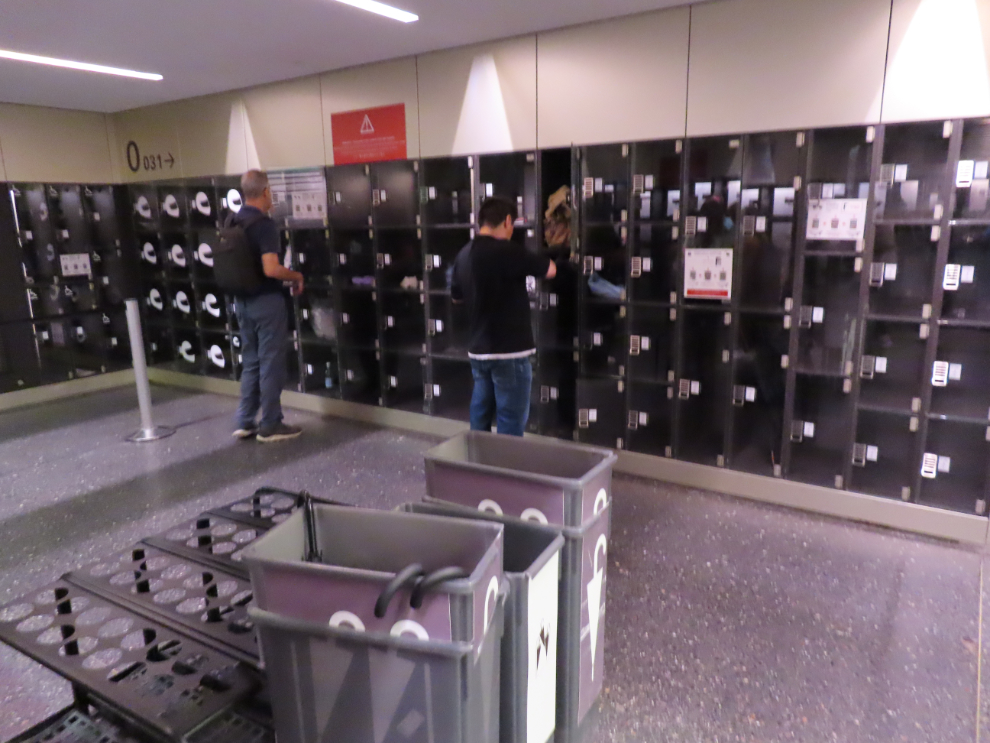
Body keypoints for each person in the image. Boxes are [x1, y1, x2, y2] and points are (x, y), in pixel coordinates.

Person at [451, 196, 557, 436]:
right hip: (510, 353)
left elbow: (456, 298)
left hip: (479, 352)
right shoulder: (508, 251)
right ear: (508, 221)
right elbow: (550, 270)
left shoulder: (464, 254)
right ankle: (505, 471)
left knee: (480, 416)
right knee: (510, 421)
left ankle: (479, 467)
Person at [231, 170, 305, 443]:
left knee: (250, 361)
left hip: (242, 302)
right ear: (265, 192)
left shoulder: (233, 219)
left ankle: (245, 420)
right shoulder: (264, 225)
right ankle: (271, 423)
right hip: (265, 301)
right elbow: (271, 269)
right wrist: (296, 276)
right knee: (271, 363)